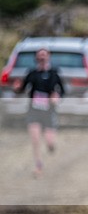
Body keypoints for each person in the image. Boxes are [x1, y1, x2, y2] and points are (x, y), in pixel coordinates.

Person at [14, 47, 65, 177]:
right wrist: (17, 88)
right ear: (36, 58)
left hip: (49, 111)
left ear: (48, 57)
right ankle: (38, 166)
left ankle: (51, 145)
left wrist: (56, 96)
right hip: (34, 110)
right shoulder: (31, 74)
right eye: (39, 55)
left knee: (49, 142)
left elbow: (62, 91)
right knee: (35, 140)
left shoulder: (54, 73)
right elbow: (21, 90)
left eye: (44, 55)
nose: (42, 57)